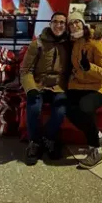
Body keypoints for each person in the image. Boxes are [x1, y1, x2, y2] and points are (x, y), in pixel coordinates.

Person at [19, 12, 70, 166]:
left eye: (62, 22)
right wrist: (31, 88)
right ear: (50, 23)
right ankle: (34, 142)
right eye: (55, 21)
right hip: (39, 85)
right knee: (33, 108)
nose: (58, 25)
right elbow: (25, 70)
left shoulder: (69, 44)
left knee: (60, 110)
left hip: (59, 86)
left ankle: (48, 138)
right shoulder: (38, 44)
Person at [65, 10, 102, 169]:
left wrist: (89, 67)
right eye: (71, 23)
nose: (74, 25)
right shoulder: (75, 42)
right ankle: (98, 136)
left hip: (99, 86)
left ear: (83, 23)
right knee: (67, 108)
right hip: (79, 85)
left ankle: (95, 151)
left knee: (86, 107)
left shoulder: (96, 42)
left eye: (77, 22)